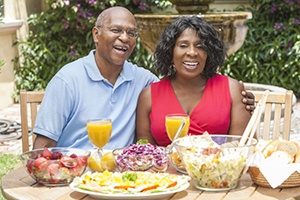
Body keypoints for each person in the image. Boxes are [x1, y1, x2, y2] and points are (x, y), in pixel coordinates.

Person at [33, 7, 254, 150]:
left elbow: (238, 149)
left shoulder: (141, 80)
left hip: (127, 175)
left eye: (131, 33)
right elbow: (42, 146)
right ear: (96, 34)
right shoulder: (67, 80)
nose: (124, 38)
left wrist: (245, 99)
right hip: (76, 172)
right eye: (116, 30)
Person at [136, 16, 252, 147]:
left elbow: (241, 147)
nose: (192, 52)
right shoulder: (148, 96)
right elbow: (145, 151)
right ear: (170, 51)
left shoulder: (232, 89)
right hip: (164, 167)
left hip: (218, 165)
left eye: (200, 46)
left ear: (209, 52)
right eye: (183, 45)